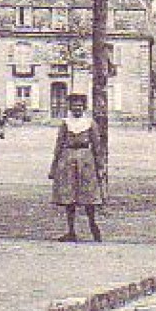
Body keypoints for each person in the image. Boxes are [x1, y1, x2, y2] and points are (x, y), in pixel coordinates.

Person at [48, 94, 104, 243]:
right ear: (70, 107)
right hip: (68, 159)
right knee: (69, 196)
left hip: (86, 160)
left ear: (84, 107)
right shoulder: (65, 123)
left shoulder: (90, 123)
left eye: (79, 106)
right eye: (74, 106)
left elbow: (97, 146)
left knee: (88, 195)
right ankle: (71, 230)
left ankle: (93, 225)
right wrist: (54, 166)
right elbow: (59, 144)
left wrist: (100, 167)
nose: (77, 108)